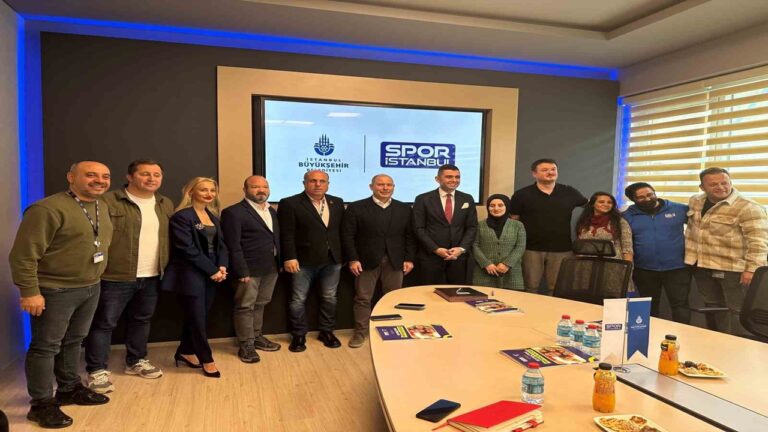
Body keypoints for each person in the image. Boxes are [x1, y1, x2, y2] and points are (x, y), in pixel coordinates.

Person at [9, 161, 113, 429]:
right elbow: (23, 256)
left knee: (74, 340)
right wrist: (30, 292)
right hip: (55, 289)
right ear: (71, 177)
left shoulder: (101, 206)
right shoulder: (47, 209)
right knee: (45, 347)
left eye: (105, 176)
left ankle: (68, 388)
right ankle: (41, 404)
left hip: (90, 286)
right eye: (91, 175)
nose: (99, 180)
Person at [84, 159, 173, 394]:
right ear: (130, 177)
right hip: (115, 275)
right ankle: (96, 370)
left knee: (141, 320)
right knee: (104, 324)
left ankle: (136, 360)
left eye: (157, 174)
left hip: (152, 274)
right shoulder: (107, 201)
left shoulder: (165, 203)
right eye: (145, 174)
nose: (152, 179)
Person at [685, 167, 768, 336]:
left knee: (736, 310)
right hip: (702, 266)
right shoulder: (696, 201)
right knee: (711, 307)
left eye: (724, 182)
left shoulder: (749, 207)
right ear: (702, 187)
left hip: (733, 270)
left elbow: (759, 242)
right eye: (713, 184)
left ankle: (738, 344)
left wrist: (752, 269)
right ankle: (716, 340)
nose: (720, 187)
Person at [161, 177, 228, 377]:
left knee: (199, 316)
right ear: (191, 192)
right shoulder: (182, 217)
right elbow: (186, 249)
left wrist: (222, 266)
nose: (209, 194)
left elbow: (222, 245)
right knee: (198, 318)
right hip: (190, 273)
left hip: (213, 272)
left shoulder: (213, 216)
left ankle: (185, 351)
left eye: (212, 190)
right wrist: (212, 270)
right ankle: (206, 358)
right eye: (203, 190)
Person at [341, 174, 416, 348]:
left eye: (389, 185)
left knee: (393, 298)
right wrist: (353, 259)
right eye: (381, 184)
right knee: (363, 298)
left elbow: (410, 236)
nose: (385, 188)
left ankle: (392, 330)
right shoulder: (356, 207)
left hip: (395, 260)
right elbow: (347, 236)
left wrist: (409, 259)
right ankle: (360, 333)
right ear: (371, 187)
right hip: (365, 261)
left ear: (393, 187)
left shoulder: (404, 208)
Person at [278, 170, 345, 352]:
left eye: (322, 181)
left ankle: (327, 331)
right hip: (302, 261)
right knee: (298, 299)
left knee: (330, 297)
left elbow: (341, 232)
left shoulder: (337, 202)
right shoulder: (290, 203)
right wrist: (289, 257)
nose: (318, 184)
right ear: (304, 183)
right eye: (313, 181)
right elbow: (286, 234)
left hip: (332, 260)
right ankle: (299, 335)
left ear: (328, 184)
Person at [221, 175, 281, 363]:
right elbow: (233, 245)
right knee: (245, 306)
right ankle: (246, 344)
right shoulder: (233, 212)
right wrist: (241, 271)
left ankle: (256, 336)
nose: (261, 190)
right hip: (248, 270)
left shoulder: (271, 211)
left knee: (261, 303)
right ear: (245, 190)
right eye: (255, 187)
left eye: (265, 187)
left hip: (270, 267)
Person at [509, 158, 588, 295]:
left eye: (553, 169)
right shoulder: (522, 195)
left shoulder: (569, 192)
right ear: (534, 174)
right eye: (545, 170)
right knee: (530, 287)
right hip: (531, 249)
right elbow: (514, 220)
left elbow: (591, 207)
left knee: (557, 288)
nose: (550, 172)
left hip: (562, 249)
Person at [623, 182, 691, 323]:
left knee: (680, 305)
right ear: (633, 199)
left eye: (650, 194)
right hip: (644, 269)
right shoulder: (627, 216)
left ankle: (683, 334)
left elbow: (701, 226)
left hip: (677, 268)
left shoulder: (678, 209)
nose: (648, 199)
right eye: (641, 197)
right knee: (649, 307)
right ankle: (651, 334)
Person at [412, 164, 478, 285]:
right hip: (430, 258)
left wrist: (461, 249)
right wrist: (435, 249)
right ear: (437, 179)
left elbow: (472, 227)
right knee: (428, 293)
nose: (454, 180)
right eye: (449, 177)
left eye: (457, 177)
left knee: (456, 293)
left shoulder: (467, 199)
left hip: (458, 258)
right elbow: (418, 228)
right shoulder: (423, 199)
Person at [472, 194, 526, 290]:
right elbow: (474, 245)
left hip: (511, 273)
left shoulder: (518, 225)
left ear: (507, 206)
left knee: (511, 298)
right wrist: (486, 264)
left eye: (500, 205)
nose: (496, 208)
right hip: (484, 272)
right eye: (492, 206)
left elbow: (520, 246)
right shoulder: (479, 225)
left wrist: (507, 264)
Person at [574, 192, 633, 261]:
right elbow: (580, 246)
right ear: (593, 204)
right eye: (601, 202)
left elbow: (627, 248)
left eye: (609, 202)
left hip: (613, 264)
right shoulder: (584, 221)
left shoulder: (619, 222)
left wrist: (627, 265)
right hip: (587, 263)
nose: (606, 204)